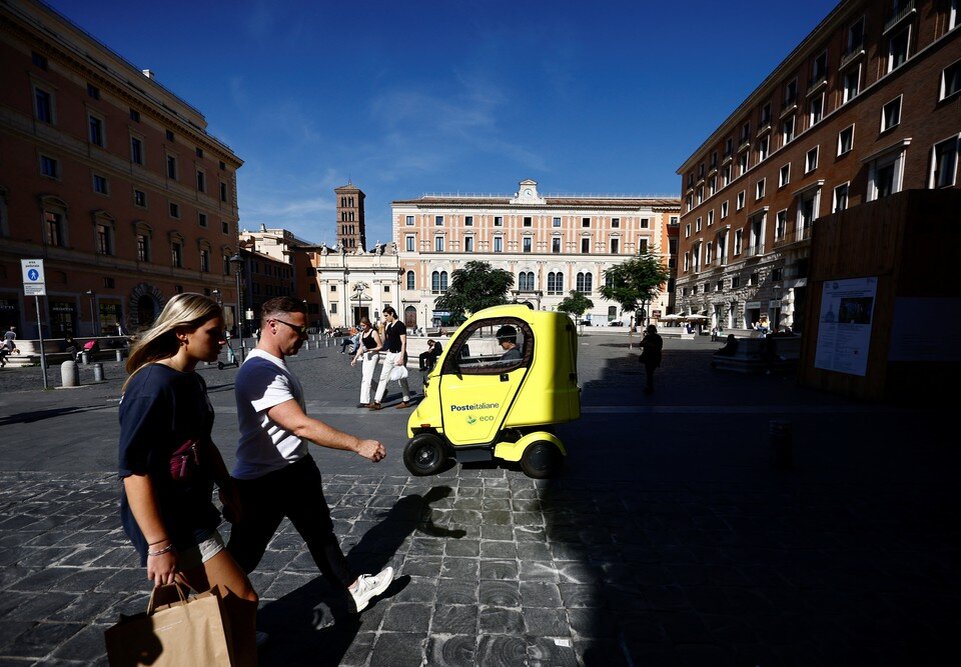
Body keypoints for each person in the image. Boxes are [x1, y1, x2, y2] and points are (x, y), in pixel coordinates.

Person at [227, 296, 393, 614]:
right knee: (243, 556)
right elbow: (300, 425)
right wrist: (358, 444)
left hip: (294, 469)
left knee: (320, 534)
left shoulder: (273, 363)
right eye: (298, 330)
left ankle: (355, 589)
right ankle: (209, 619)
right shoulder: (260, 370)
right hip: (264, 479)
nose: (303, 337)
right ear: (272, 325)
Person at [117, 293, 258, 664]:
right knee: (242, 600)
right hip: (171, 521)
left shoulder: (190, 380)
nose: (222, 340)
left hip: (192, 510)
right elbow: (134, 471)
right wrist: (159, 545)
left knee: (210, 609)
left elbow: (201, 440)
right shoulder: (152, 386)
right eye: (214, 332)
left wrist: (227, 486)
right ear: (183, 333)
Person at [370, 306, 412, 410]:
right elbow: (384, 341)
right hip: (390, 354)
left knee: (402, 379)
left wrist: (402, 357)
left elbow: (404, 342)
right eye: (384, 316)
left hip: (399, 354)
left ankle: (406, 400)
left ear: (392, 314)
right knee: (383, 377)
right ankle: (377, 402)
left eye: (386, 316)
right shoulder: (389, 326)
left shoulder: (400, 325)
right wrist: (383, 328)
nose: (385, 318)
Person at [350, 316, 382, 408]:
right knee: (365, 377)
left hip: (374, 356)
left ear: (368, 324)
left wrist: (369, 349)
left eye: (363, 325)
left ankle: (365, 401)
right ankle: (381, 390)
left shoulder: (374, 332)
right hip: (366, 356)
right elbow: (361, 347)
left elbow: (380, 346)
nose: (362, 327)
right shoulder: (362, 333)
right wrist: (355, 358)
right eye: (361, 326)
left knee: (366, 379)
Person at [637, 324, 663, 394]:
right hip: (650, 357)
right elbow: (641, 344)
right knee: (649, 372)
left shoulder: (656, 338)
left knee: (649, 372)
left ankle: (649, 386)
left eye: (649, 330)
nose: (649, 332)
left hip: (653, 357)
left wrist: (648, 344)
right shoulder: (648, 337)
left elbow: (658, 347)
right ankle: (649, 386)